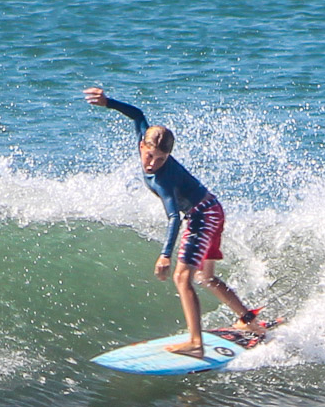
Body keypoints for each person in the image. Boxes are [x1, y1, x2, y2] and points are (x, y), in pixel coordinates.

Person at [85, 87, 264, 358]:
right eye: (149, 156)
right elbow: (138, 115)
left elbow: (173, 217)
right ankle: (248, 319)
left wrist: (165, 255)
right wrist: (108, 102)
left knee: (183, 277)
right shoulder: (145, 138)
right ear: (142, 145)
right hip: (213, 208)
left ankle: (195, 343)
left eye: (160, 159)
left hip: (202, 215)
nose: (152, 164)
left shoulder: (165, 180)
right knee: (207, 276)